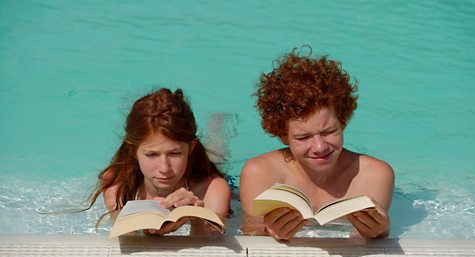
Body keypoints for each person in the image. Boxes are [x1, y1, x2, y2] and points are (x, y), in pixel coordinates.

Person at [240, 47, 394, 240]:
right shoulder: (260, 172)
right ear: (282, 136)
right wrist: (266, 231)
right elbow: (249, 235)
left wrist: (381, 232)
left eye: (329, 132)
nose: (320, 147)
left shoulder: (375, 175)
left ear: (343, 122)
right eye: (303, 138)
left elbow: (364, 245)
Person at [87, 88, 231, 235]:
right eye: (151, 154)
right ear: (132, 150)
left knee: (216, 155)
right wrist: (150, 231)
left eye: (175, 153)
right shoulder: (117, 184)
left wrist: (197, 218)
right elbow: (126, 240)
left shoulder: (212, 188)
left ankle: (216, 128)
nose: (164, 168)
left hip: (197, 172)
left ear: (191, 147)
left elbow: (211, 245)